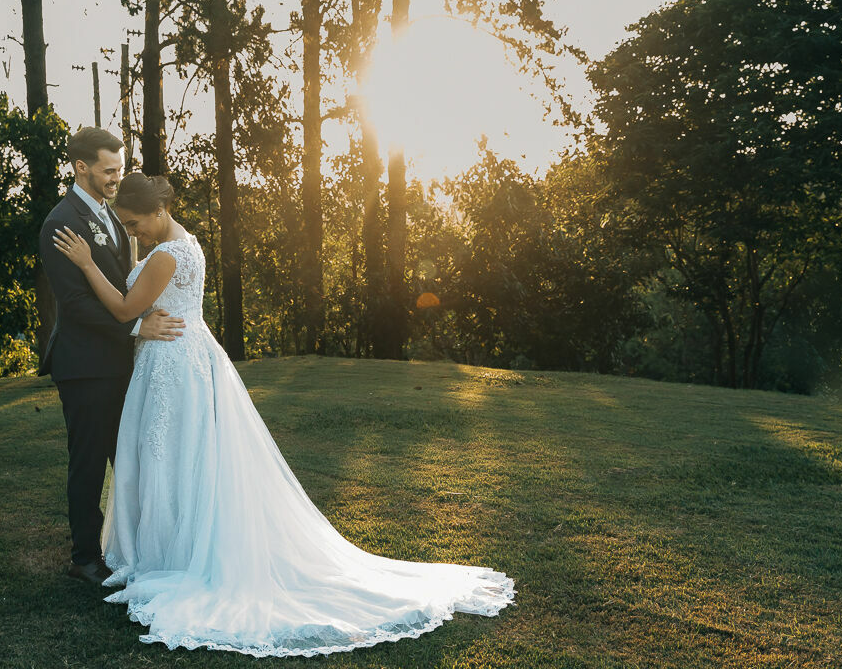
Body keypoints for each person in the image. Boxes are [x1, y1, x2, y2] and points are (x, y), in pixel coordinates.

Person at [51, 171, 515, 657]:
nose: (133, 233)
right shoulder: (187, 242)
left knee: (170, 456)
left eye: (134, 223)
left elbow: (125, 310)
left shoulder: (167, 255)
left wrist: (86, 263)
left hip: (172, 363)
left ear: (159, 210)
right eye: (126, 225)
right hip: (183, 358)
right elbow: (145, 295)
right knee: (182, 457)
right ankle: (173, 547)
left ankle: (175, 555)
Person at [38, 128, 186, 585]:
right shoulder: (60, 223)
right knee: (88, 462)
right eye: (108, 170)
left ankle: (136, 548)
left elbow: (125, 280)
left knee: (132, 459)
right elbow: (75, 304)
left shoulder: (112, 213)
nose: (116, 178)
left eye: (120, 169)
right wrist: (137, 326)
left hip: (122, 362)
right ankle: (85, 558)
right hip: (84, 366)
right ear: (81, 167)